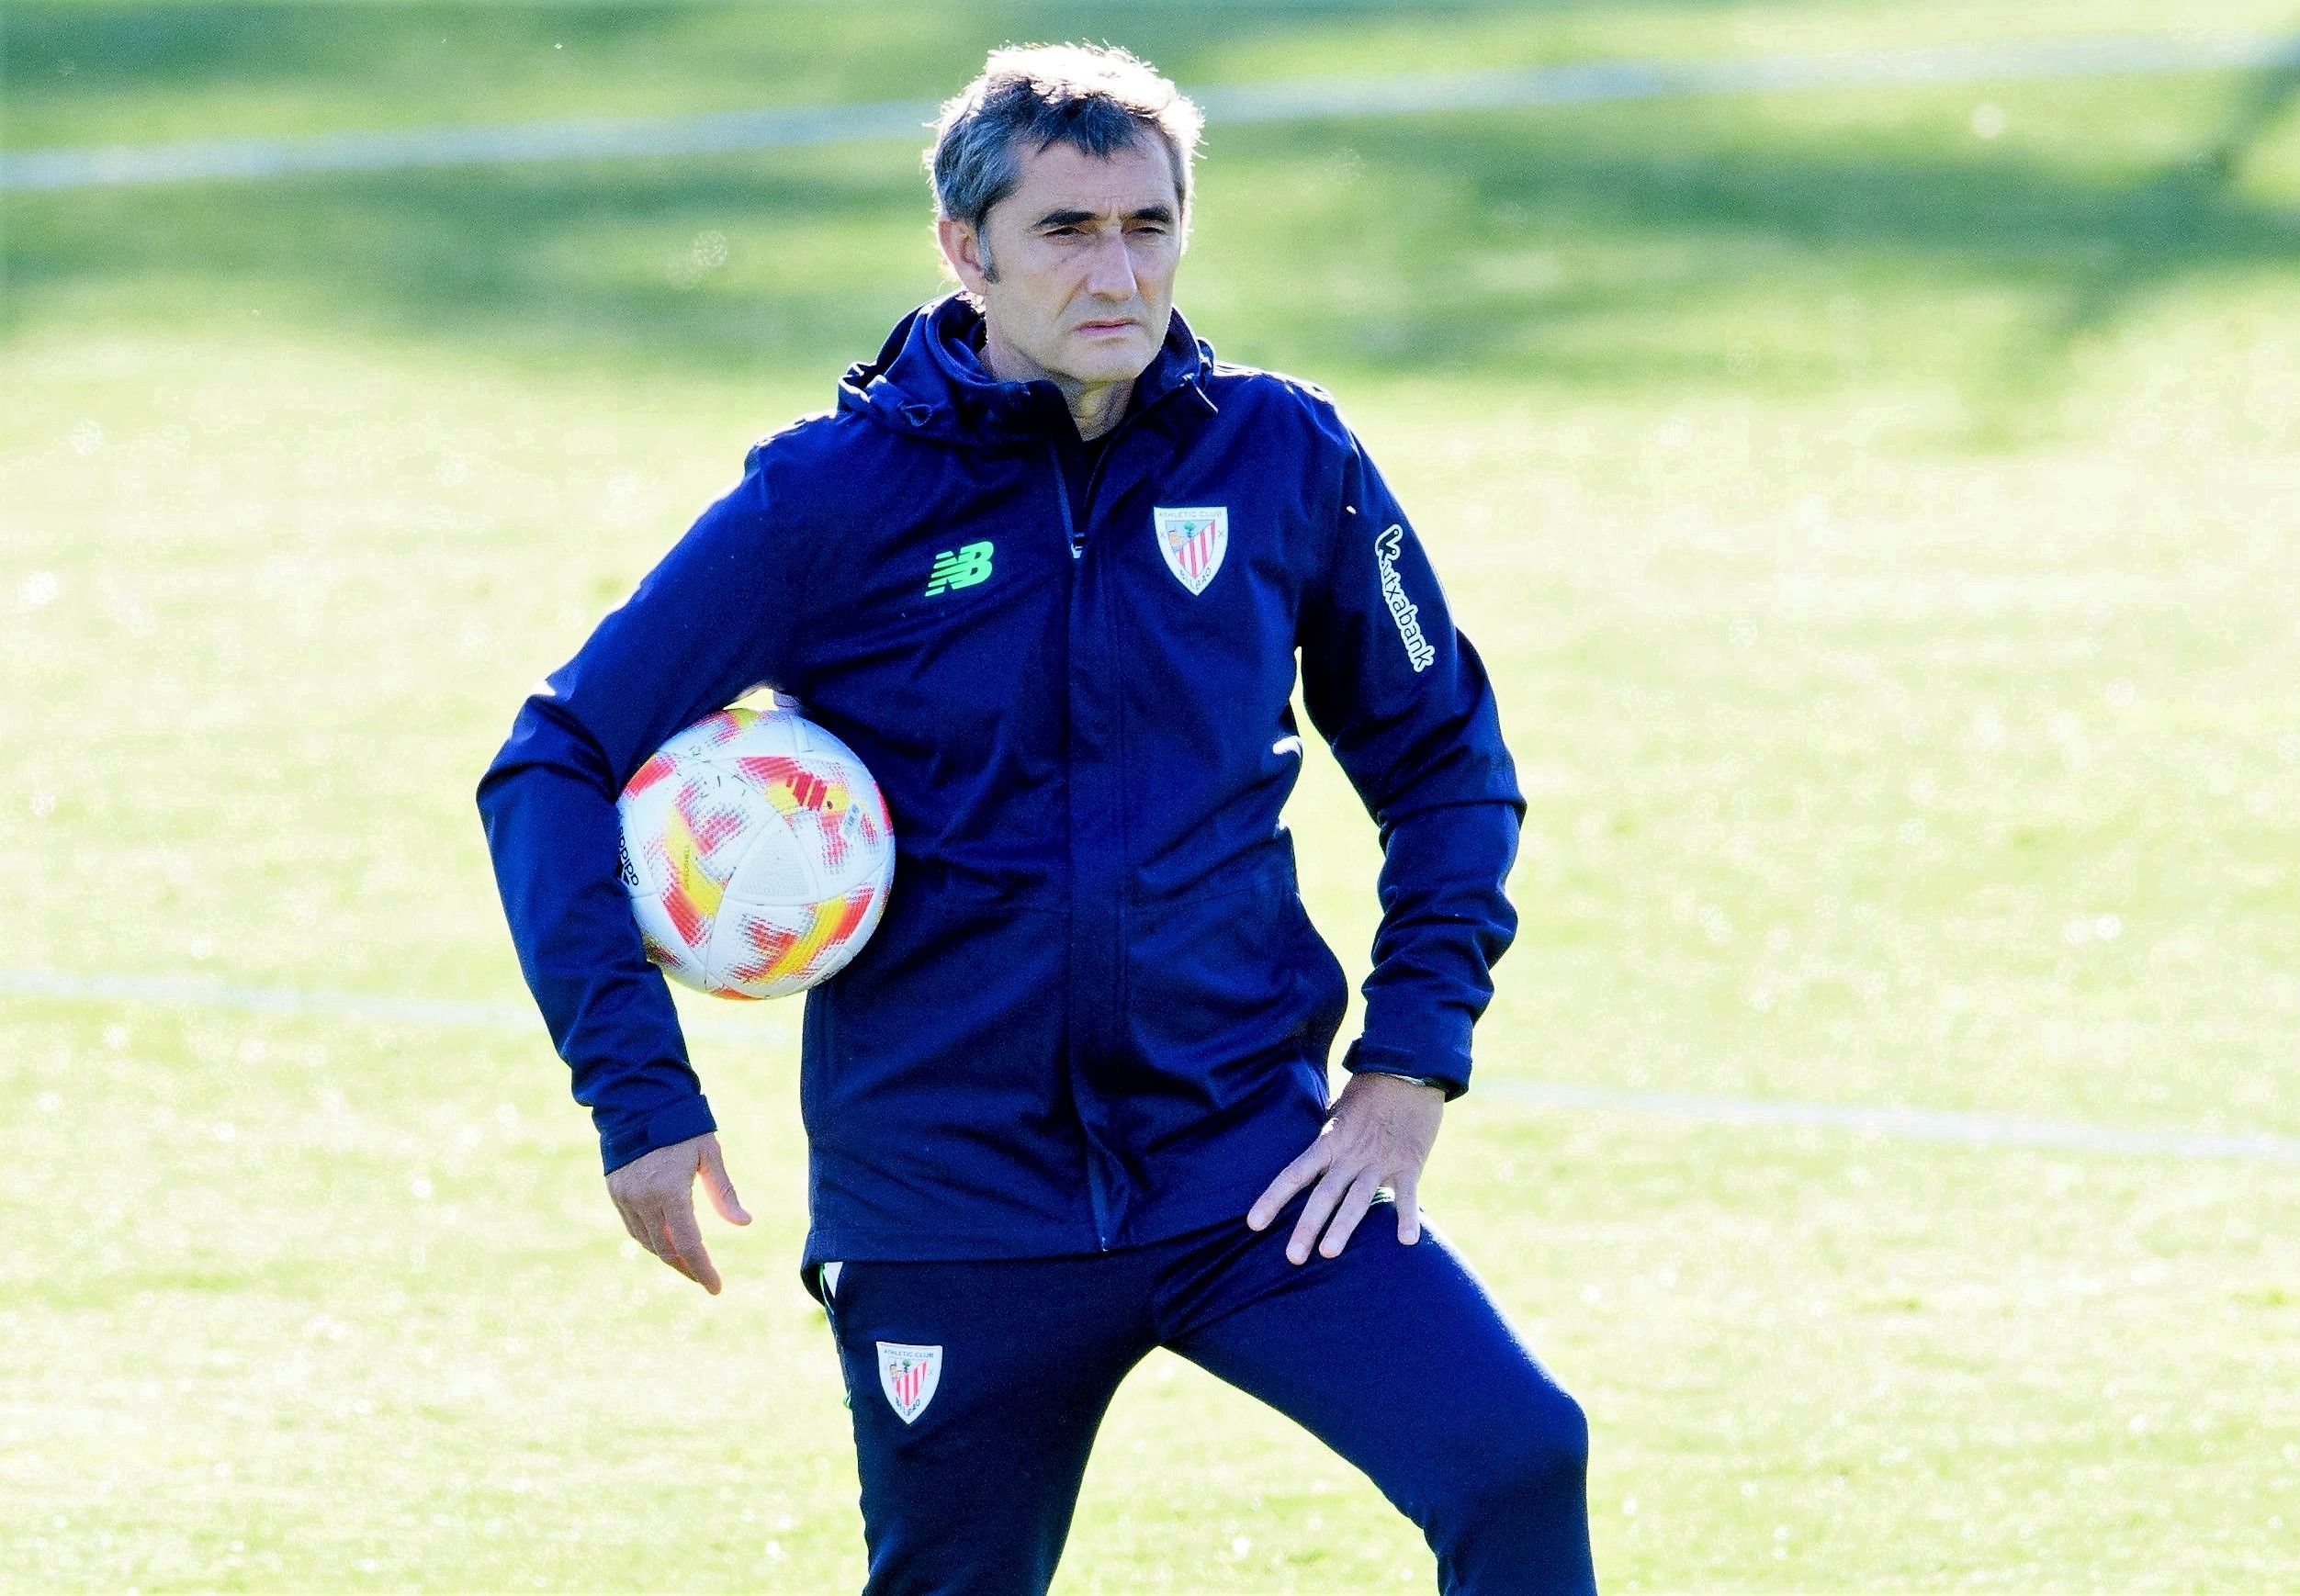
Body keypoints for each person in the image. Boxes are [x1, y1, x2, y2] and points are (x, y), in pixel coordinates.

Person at [476, 42, 1595, 1596]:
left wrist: (1406, 1067)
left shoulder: (1283, 457)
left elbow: (1445, 767)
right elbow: (551, 758)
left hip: (1248, 1168)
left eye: (1148, 225)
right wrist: (640, 1097)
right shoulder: (831, 498)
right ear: (964, 247)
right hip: (950, 1202)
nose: (1116, 270)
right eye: (1066, 230)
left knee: (1517, 1453)